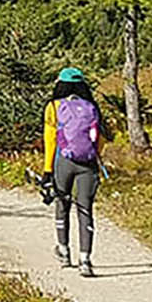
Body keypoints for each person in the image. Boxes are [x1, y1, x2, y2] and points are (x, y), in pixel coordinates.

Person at [41, 67, 104, 277]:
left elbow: (50, 140)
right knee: (85, 210)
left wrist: (47, 170)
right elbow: (99, 138)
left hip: (63, 162)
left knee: (62, 204)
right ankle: (85, 260)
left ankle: (64, 251)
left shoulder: (53, 106)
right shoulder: (91, 106)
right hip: (88, 164)